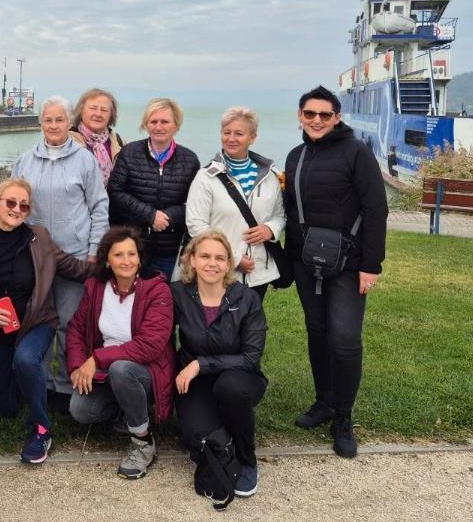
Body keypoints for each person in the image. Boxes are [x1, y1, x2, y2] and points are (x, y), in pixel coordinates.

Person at [0, 178, 92, 465]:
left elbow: (74, 268)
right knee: (2, 410)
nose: (17, 209)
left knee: (26, 359)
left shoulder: (39, 239)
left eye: (24, 206)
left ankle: (41, 429)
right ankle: (22, 380)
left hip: (36, 322)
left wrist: (116, 267)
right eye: (11, 202)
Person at [284, 85, 387, 459]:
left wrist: (371, 265)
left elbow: (376, 209)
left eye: (324, 115)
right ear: (300, 116)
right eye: (310, 114)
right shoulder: (296, 156)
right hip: (307, 262)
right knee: (317, 332)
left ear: (337, 117)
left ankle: (343, 418)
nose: (316, 120)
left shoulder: (357, 152)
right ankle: (324, 401)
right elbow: (291, 211)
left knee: (344, 338)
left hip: (348, 263)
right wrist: (288, 260)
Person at [12, 96, 108, 406]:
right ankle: (40, 385)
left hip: (74, 255)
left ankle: (66, 385)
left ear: (69, 123)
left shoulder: (85, 160)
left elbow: (99, 206)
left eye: (59, 120)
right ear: (41, 123)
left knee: (69, 323)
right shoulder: (25, 161)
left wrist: (94, 250)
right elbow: (13, 206)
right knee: (38, 321)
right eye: (48, 120)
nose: (53, 125)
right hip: (35, 257)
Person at [66, 227, 174, 480]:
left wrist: (96, 359)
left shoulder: (157, 290)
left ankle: (143, 441)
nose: (126, 261)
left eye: (131, 254)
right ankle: (128, 412)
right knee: (80, 410)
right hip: (106, 370)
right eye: (118, 255)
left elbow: (150, 345)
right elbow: (76, 329)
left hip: (146, 370)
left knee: (122, 369)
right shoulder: (96, 287)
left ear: (140, 258)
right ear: (107, 260)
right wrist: (77, 366)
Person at [172, 230, 268, 499]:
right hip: (196, 382)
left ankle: (247, 460)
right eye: (204, 256)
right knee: (197, 440)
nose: (212, 263)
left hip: (240, 377)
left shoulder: (247, 299)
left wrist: (200, 364)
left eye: (219, 258)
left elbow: (250, 358)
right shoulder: (178, 293)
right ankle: (226, 441)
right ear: (192, 260)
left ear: (228, 264)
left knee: (230, 388)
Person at [184, 106, 285, 300]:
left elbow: (279, 215)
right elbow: (196, 225)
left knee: (251, 319)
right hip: (217, 270)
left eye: (239, 133)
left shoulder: (269, 176)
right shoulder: (205, 177)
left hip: (258, 272)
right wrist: (233, 258)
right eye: (226, 132)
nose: (231, 139)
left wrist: (270, 229)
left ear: (252, 137)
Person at [108, 97, 201, 278]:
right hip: (131, 246)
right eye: (153, 121)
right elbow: (115, 191)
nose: (159, 127)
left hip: (168, 248)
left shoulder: (189, 160)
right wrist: (150, 215)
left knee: (161, 293)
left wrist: (169, 216)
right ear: (146, 124)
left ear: (176, 126)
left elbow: (195, 203)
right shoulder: (129, 153)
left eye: (165, 122)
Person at [68, 87, 124, 185]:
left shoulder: (119, 142)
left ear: (111, 115)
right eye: (93, 108)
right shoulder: (66, 141)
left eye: (104, 110)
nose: (98, 114)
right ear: (81, 111)